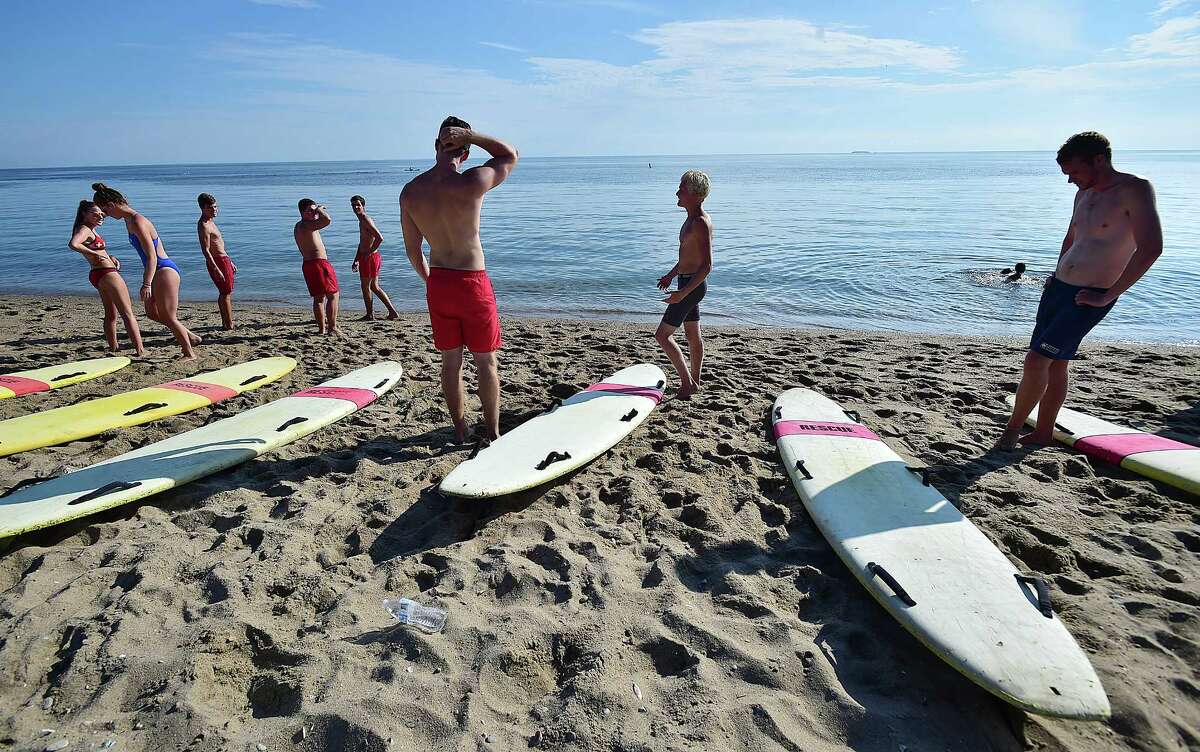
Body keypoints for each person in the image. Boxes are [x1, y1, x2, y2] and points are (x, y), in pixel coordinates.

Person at [997, 132, 1163, 449]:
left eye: (1074, 172)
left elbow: (1151, 248)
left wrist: (1109, 294)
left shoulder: (1135, 190)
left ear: (1099, 159)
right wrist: (1055, 272)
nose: (1071, 180)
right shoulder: (1084, 194)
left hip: (1089, 296)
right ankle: (1043, 432)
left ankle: (1010, 432)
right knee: (1055, 362)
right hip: (1059, 288)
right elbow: (1072, 238)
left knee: (1035, 361)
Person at [400, 116, 518, 444]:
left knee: (451, 363)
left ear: (436, 146)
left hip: (439, 282)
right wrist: (473, 135)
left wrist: (430, 282)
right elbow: (510, 155)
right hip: (472, 283)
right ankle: (492, 433)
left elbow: (413, 251)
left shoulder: (410, 192)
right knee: (486, 362)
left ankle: (461, 431)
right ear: (465, 153)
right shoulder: (473, 181)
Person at [92, 183, 200, 360]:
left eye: (106, 212)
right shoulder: (128, 220)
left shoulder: (137, 220)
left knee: (168, 315)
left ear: (111, 205)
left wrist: (146, 283)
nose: (107, 216)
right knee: (152, 313)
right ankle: (192, 337)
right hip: (155, 271)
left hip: (164, 269)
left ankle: (189, 353)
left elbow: (152, 256)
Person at [655, 170, 713, 399]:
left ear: (694, 194)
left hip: (693, 286)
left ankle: (688, 384)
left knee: (662, 336)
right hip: (685, 282)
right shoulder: (689, 220)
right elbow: (688, 258)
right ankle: (695, 382)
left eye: (681, 188)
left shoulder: (700, 223)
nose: (677, 192)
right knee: (692, 333)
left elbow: (707, 266)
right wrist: (671, 275)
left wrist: (682, 294)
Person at [68, 200, 145, 355]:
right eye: (95, 213)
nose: (100, 215)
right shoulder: (84, 229)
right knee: (127, 313)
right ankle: (140, 350)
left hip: (98, 275)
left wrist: (109, 256)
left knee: (111, 314)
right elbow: (73, 244)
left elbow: (92, 248)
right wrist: (95, 254)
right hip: (107, 274)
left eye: (101, 213)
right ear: (84, 214)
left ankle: (114, 347)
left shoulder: (89, 229)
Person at [294, 198, 340, 334]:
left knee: (319, 298)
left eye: (315, 210)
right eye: (311, 210)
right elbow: (327, 220)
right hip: (318, 263)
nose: (314, 213)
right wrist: (320, 210)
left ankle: (321, 329)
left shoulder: (300, 225)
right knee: (333, 295)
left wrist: (315, 212)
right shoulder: (307, 225)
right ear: (302, 212)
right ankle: (332, 327)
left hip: (309, 264)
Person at [350, 195, 399, 320]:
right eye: (353, 205)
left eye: (358, 205)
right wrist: (356, 259)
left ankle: (370, 314)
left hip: (371, 257)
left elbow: (379, 238)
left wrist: (369, 253)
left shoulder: (365, 219)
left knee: (367, 287)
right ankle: (391, 312)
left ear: (363, 206)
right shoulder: (361, 220)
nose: (355, 207)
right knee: (373, 287)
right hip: (369, 257)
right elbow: (362, 243)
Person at [196, 193, 237, 330]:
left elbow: (219, 245)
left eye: (215, 207)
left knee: (225, 292)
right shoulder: (203, 225)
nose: (214, 210)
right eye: (210, 208)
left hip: (224, 259)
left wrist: (230, 262)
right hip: (218, 262)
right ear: (202, 208)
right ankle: (229, 323)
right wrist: (216, 268)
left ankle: (226, 322)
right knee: (225, 292)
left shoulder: (211, 222)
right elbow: (206, 250)